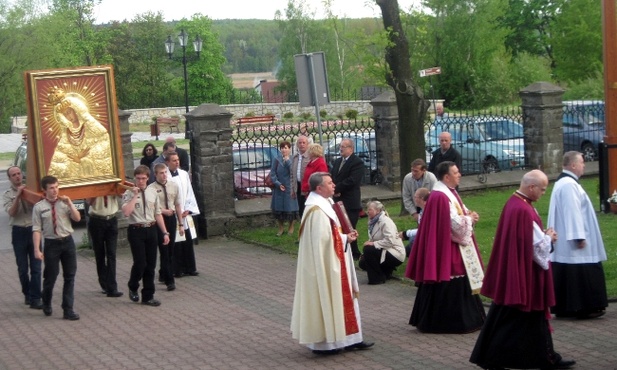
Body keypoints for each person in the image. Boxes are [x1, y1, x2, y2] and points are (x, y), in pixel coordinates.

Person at [470, 170, 576, 370]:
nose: (543, 193)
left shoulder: (515, 203)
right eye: (542, 190)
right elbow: (537, 247)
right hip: (525, 276)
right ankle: (495, 357)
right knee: (516, 317)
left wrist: (542, 236)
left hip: (513, 271)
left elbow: (525, 238)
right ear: (532, 187)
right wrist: (550, 238)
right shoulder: (524, 210)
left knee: (509, 316)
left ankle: (544, 357)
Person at [291, 172, 374, 355]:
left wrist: (346, 236)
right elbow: (323, 241)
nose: (334, 185)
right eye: (329, 183)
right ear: (319, 188)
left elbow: (332, 234)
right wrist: (345, 239)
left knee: (346, 297)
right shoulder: (315, 210)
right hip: (326, 265)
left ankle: (351, 339)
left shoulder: (325, 203)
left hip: (337, 258)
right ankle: (327, 344)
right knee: (329, 296)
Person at [405, 161, 485, 333]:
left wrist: (470, 215)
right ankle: (451, 322)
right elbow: (454, 224)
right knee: (451, 273)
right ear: (446, 177)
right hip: (446, 247)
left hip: (446, 243)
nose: (459, 175)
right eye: (456, 173)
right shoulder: (441, 196)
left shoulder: (448, 192)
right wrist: (470, 219)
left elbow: (460, 212)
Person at [547, 151, 608, 319]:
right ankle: (583, 307)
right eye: (582, 162)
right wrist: (578, 236)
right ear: (573, 165)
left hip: (567, 241)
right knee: (581, 272)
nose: (584, 166)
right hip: (574, 241)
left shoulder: (565, 182)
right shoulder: (568, 184)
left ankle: (567, 307)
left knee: (570, 271)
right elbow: (572, 211)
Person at [32, 175, 81, 320]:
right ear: (45, 190)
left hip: (67, 241)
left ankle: (68, 308)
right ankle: (46, 301)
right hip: (51, 243)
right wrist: (37, 249)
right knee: (51, 276)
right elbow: (36, 229)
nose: (55, 191)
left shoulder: (64, 202)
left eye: (56, 187)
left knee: (70, 276)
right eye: (51, 188)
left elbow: (77, 218)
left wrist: (70, 203)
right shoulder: (39, 207)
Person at [122, 165, 171, 307]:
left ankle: (148, 295)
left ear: (148, 178)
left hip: (151, 228)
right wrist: (135, 195)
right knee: (140, 262)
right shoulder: (128, 193)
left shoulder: (153, 192)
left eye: (143, 178)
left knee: (150, 264)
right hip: (136, 229)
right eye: (138, 178)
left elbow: (157, 213)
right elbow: (126, 212)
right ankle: (133, 285)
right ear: (135, 179)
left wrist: (165, 232)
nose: (141, 181)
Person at [46, 87, 113, 180]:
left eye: (69, 112)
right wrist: (77, 159)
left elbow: (103, 146)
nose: (69, 116)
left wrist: (81, 159)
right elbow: (60, 160)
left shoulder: (91, 127)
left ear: (76, 110)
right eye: (65, 114)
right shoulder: (66, 134)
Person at [3, 166, 42, 309]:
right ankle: (28, 293)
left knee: (36, 266)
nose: (17, 177)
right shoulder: (8, 194)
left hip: (33, 230)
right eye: (14, 175)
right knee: (22, 268)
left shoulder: (30, 189)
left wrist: (29, 194)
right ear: (10, 178)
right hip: (18, 231)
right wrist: (18, 196)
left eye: (19, 173)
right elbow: (12, 213)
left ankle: (36, 298)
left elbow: (39, 206)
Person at [149, 162, 184, 292]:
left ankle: (163, 273)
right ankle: (170, 280)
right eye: (161, 173)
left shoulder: (173, 186)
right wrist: (163, 211)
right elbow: (151, 206)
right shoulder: (151, 188)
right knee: (164, 249)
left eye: (165, 172)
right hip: (159, 220)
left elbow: (178, 204)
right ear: (156, 174)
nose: (164, 175)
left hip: (171, 219)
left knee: (170, 250)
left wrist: (181, 224)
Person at [166, 152, 200, 277]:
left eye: (178, 160)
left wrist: (188, 209)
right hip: (173, 214)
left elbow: (189, 192)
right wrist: (175, 211)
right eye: (174, 160)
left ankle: (190, 268)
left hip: (185, 212)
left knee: (187, 241)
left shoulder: (184, 174)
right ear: (167, 162)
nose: (177, 162)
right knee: (177, 242)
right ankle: (177, 269)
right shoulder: (166, 177)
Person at [330, 138, 365, 260]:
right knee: (340, 226)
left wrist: (338, 189)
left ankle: (354, 253)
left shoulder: (357, 163)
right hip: (337, 200)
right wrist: (333, 189)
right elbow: (333, 176)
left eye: (344, 146)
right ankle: (344, 250)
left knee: (350, 226)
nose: (341, 148)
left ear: (351, 149)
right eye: (340, 146)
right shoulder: (338, 161)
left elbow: (352, 180)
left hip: (350, 200)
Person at [359, 200, 406, 285]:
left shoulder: (385, 221)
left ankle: (377, 278)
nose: (367, 212)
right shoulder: (372, 221)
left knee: (368, 250)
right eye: (367, 209)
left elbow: (390, 240)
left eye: (370, 209)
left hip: (395, 253)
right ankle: (386, 272)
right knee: (362, 262)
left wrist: (373, 244)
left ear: (377, 211)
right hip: (385, 249)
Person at [87, 195, 123, 297]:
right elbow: (89, 202)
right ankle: (104, 284)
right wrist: (98, 192)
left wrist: (113, 189)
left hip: (111, 219)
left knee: (112, 254)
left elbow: (121, 195)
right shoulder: (93, 185)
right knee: (100, 253)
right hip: (97, 220)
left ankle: (112, 287)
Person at [270, 141, 299, 236]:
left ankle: (291, 227)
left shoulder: (293, 159)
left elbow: (293, 171)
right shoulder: (276, 159)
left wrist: (287, 161)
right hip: (279, 188)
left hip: (290, 187)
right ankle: (281, 228)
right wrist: (278, 184)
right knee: (279, 210)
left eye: (286, 148)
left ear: (289, 149)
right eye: (282, 148)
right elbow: (273, 173)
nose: (284, 150)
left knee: (291, 208)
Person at [400, 187, 430, 257]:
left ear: (421, 198)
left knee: (412, 242)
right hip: (423, 236)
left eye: (415, 197)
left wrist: (405, 234)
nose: (414, 199)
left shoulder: (428, 211)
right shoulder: (422, 211)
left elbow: (424, 230)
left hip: (427, 239)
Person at [290, 135, 312, 216]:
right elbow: (292, 174)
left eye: (304, 143)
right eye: (300, 143)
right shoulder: (295, 157)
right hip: (298, 186)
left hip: (308, 188)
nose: (302, 144)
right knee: (301, 209)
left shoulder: (310, 156)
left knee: (307, 209)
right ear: (297, 145)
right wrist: (292, 189)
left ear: (307, 144)